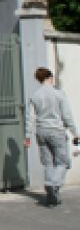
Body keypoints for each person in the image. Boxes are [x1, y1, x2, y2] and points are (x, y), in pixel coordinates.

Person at [24, 66, 79, 207]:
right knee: (63, 162)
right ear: (50, 78)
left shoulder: (35, 95)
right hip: (56, 131)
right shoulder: (59, 94)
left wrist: (27, 136)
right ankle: (53, 185)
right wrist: (76, 133)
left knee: (48, 163)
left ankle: (51, 195)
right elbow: (67, 116)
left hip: (41, 131)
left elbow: (30, 118)